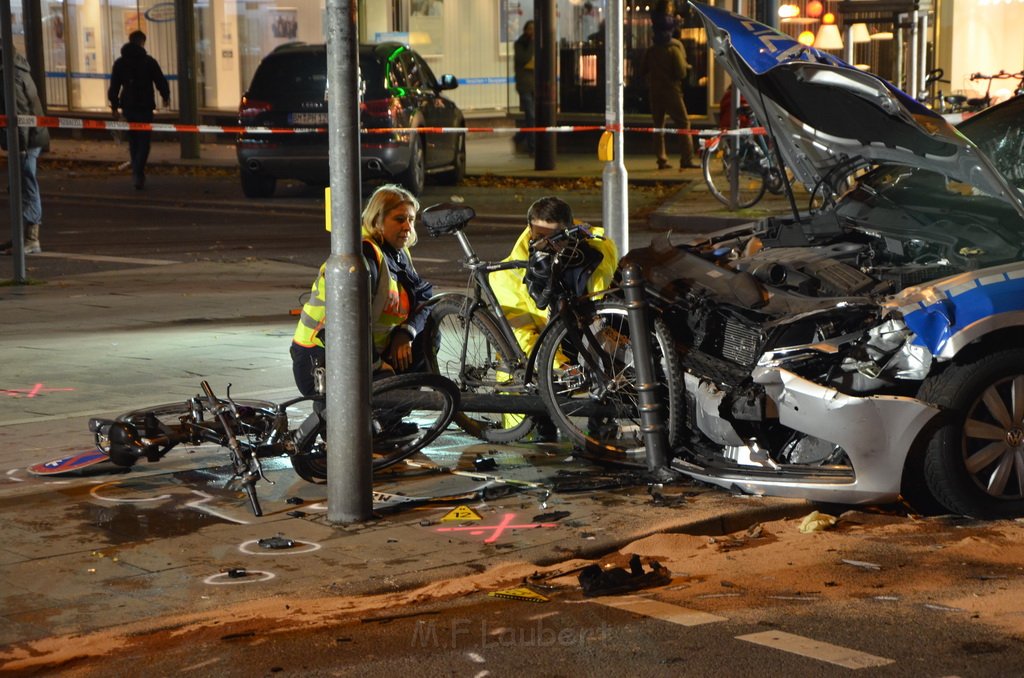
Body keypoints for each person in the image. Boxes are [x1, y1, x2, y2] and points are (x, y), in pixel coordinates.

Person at [489, 196, 619, 440]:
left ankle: (600, 431)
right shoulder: (509, 275)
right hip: (533, 358)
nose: (546, 244)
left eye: (554, 238)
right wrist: (560, 367)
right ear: (529, 231)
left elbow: (599, 309)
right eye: (538, 237)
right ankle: (541, 429)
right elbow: (523, 339)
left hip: (570, 340)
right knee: (540, 438)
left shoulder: (590, 255)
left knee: (608, 354)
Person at [291, 184, 433, 397]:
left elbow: (425, 296)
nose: (408, 227)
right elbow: (345, 325)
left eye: (411, 220)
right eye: (399, 219)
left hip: (366, 351)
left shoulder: (398, 252)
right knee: (387, 386)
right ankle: (338, 418)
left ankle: (388, 424)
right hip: (322, 357)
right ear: (377, 220)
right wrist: (376, 365)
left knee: (430, 332)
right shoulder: (362, 257)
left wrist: (406, 332)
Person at [0, 46, 50, 255]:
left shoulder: (10, 76)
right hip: (31, 137)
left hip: (26, 140)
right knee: (21, 185)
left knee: (26, 185)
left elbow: (20, 114)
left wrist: (19, 147)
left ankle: (31, 238)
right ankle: (24, 236)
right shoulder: (18, 70)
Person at [108, 30, 170, 190]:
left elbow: (114, 86)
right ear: (142, 43)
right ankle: (138, 171)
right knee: (144, 141)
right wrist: (165, 96)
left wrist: (114, 106)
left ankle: (136, 170)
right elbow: (160, 80)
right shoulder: (148, 62)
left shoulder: (120, 63)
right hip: (145, 106)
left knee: (133, 140)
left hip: (128, 106)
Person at [643, 17, 697, 171]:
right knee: (683, 124)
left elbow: (642, 69)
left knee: (658, 127)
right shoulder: (674, 49)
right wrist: (687, 67)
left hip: (655, 92)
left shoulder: (651, 50)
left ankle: (661, 159)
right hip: (672, 92)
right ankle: (687, 158)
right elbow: (681, 73)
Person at [512, 20, 536, 155]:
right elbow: (524, 58)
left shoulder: (535, 43)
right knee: (531, 115)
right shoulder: (520, 44)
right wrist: (533, 43)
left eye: (534, 29)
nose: (532, 32)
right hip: (524, 84)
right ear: (525, 30)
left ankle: (519, 137)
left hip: (534, 85)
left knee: (531, 117)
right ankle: (532, 147)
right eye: (530, 29)